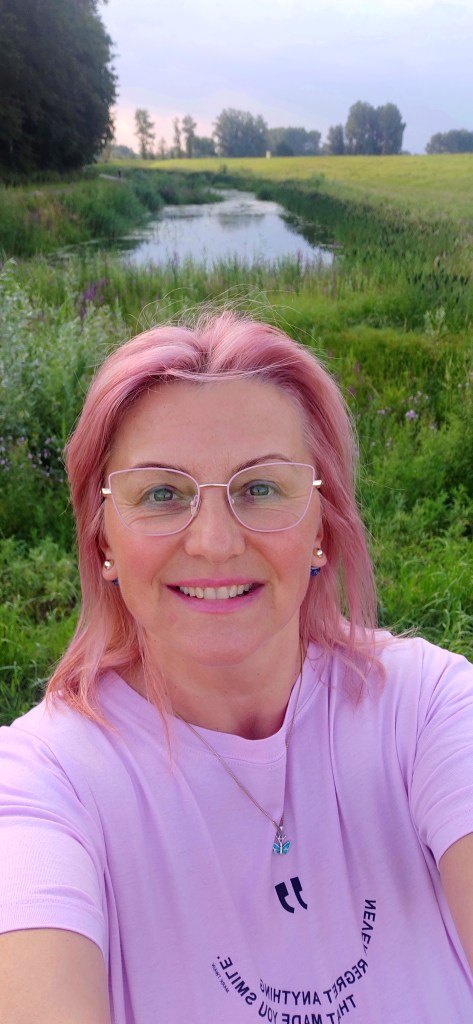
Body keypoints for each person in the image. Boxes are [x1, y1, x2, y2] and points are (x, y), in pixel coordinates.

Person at [0, 310, 472, 1024]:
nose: (215, 543)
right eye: (162, 494)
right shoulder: (43, 785)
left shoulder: (428, 708)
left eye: (260, 488)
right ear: (103, 541)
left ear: (322, 525)